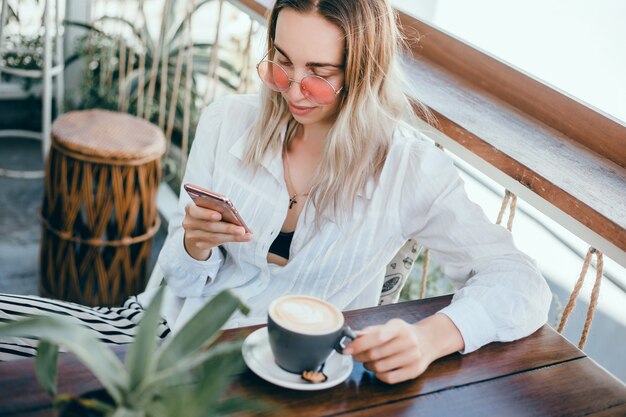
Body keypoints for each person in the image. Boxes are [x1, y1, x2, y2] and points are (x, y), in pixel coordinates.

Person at [0, 0, 551, 385]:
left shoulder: (407, 171)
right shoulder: (227, 122)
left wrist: (433, 336)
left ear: (363, 74)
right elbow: (175, 282)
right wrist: (193, 246)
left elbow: (521, 282)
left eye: (318, 72)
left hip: (291, 374)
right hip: (164, 331)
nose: (292, 89)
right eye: (281, 62)